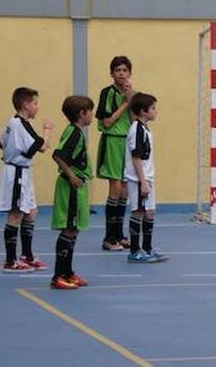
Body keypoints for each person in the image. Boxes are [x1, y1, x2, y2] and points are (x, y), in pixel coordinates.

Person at [0, 87, 53, 273]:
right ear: (25, 105)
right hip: (16, 174)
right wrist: (47, 130)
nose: (37, 107)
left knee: (31, 212)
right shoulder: (19, 124)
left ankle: (27, 255)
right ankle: (10, 261)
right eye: (35, 103)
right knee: (16, 214)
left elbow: (1, 143)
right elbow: (41, 147)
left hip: (24, 172)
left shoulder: (12, 124)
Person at [50, 95, 95, 289]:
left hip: (77, 187)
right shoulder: (74, 133)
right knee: (68, 228)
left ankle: (68, 273)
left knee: (73, 229)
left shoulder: (76, 132)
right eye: (90, 111)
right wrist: (71, 175)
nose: (92, 115)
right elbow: (58, 155)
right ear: (81, 114)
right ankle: (58, 275)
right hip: (70, 188)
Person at [96, 56, 135, 251]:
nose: (121, 73)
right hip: (112, 140)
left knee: (125, 191)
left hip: (128, 142)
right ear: (112, 73)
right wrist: (125, 104)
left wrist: (131, 100)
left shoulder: (132, 95)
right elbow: (107, 123)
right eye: (118, 70)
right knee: (116, 188)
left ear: (130, 73)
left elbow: (136, 120)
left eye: (125, 70)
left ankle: (119, 235)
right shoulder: (107, 93)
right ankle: (108, 238)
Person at [124, 92, 168, 263]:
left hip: (147, 176)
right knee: (138, 212)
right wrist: (142, 182)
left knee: (150, 212)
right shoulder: (136, 130)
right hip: (138, 179)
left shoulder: (145, 129)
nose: (155, 111)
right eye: (153, 108)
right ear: (143, 111)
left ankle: (147, 248)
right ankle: (135, 251)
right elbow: (136, 157)